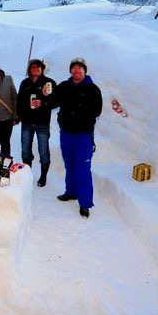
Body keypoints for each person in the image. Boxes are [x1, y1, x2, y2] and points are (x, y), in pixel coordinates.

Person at [51, 58, 103, 218]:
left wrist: (78, 114)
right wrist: (47, 96)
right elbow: (53, 102)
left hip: (83, 136)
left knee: (83, 169)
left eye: (80, 68)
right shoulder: (64, 86)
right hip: (66, 134)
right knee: (70, 165)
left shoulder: (93, 89)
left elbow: (96, 111)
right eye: (73, 68)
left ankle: (85, 203)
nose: (76, 71)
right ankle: (71, 192)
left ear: (85, 71)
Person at [17, 59, 57, 187]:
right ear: (29, 69)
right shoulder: (25, 83)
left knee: (43, 151)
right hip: (27, 122)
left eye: (38, 67)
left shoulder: (49, 83)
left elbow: (55, 102)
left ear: (42, 69)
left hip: (42, 123)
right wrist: (19, 116)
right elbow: (19, 101)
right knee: (25, 150)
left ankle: (43, 175)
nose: (35, 69)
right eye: (33, 67)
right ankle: (27, 175)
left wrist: (44, 101)